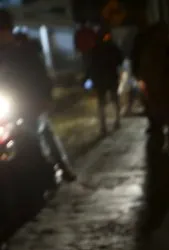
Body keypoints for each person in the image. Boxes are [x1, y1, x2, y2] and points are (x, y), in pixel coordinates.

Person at [0, 9, 76, 182]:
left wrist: (45, 98)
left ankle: (62, 168)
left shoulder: (25, 52)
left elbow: (41, 77)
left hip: (28, 104)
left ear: (8, 30)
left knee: (40, 133)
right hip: (4, 108)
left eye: (2, 31)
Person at [138, 21, 169, 149]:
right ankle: (159, 144)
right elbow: (147, 71)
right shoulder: (152, 53)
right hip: (158, 91)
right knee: (158, 117)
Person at [88, 27, 124, 136]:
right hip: (110, 77)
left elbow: (91, 65)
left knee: (102, 102)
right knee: (113, 99)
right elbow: (120, 60)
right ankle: (116, 121)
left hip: (101, 78)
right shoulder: (112, 47)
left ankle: (104, 126)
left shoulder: (95, 48)